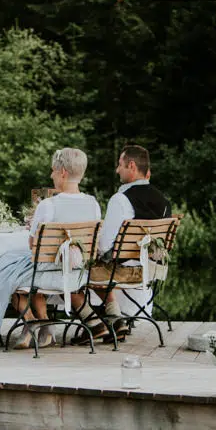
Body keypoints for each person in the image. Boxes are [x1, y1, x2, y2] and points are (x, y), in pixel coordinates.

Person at [0, 148, 101, 349]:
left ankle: (33, 323)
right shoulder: (93, 204)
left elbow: (33, 246)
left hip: (46, 275)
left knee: (4, 273)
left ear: (63, 172)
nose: (51, 175)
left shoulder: (48, 205)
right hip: (78, 275)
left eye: (53, 171)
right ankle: (44, 328)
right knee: (19, 269)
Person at [73, 144, 172, 345]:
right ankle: (116, 322)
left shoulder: (121, 199)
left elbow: (103, 246)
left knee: (73, 270)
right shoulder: (164, 201)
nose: (117, 170)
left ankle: (93, 323)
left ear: (132, 166)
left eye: (120, 165)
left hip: (122, 272)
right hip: (150, 271)